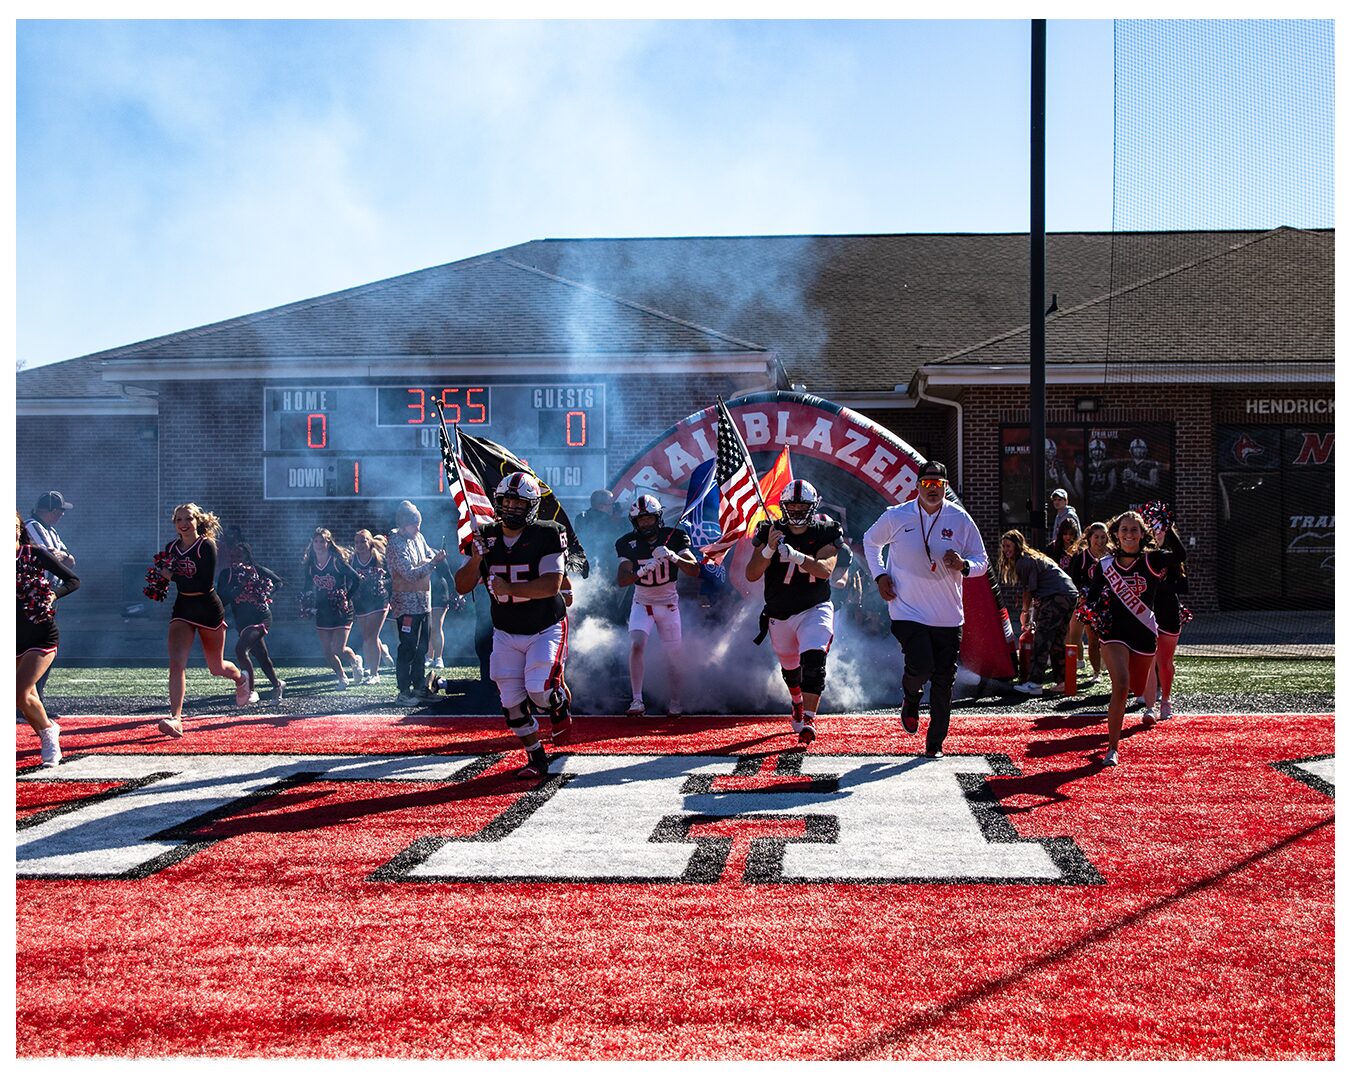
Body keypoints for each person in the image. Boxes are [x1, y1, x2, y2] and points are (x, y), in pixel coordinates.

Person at [863, 460, 989, 758]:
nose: (933, 489)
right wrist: (880, 575)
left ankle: (935, 743)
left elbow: (982, 561)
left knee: (944, 681)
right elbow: (870, 541)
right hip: (907, 609)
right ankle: (910, 696)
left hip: (947, 614)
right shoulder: (897, 515)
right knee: (921, 666)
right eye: (927, 483)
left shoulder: (960, 519)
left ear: (946, 487)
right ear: (917, 486)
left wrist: (964, 565)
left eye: (939, 485)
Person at [455, 472, 571, 779]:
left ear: (531, 506)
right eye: (507, 501)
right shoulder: (486, 536)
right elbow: (461, 587)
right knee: (511, 702)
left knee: (539, 691)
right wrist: (474, 560)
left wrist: (510, 589)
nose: (512, 508)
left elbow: (550, 586)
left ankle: (557, 701)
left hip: (545, 625)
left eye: (519, 503)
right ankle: (536, 757)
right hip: (506, 630)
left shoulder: (548, 533)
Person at [1080, 509, 1186, 766]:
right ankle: (1112, 748)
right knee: (1121, 685)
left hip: (1144, 634)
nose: (1129, 534)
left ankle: (1149, 707)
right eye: (1124, 529)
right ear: (1115, 534)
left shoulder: (1153, 560)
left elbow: (1180, 556)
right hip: (1114, 633)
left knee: (1137, 686)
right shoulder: (1105, 565)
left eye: (1134, 529)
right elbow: (1092, 596)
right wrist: (1091, 610)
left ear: (1142, 534)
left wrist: (1167, 526)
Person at [746, 479, 841, 745]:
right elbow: (751, 574)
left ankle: (809, 719)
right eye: (793, 506)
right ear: (783, 506)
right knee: (790, 669)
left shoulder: (826, 531)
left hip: (815, 607)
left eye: (803, 506)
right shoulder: (769, 530)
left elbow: (824, 570)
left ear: (814, 506)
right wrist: (769, 549)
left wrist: (798, 556)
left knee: (814, 661)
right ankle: (797, 701)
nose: (798, 511)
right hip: (779, 612)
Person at [150, 503, 252, 737]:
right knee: (176, 663)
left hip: (207, 608)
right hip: (183, 608)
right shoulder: (171, 547)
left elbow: (203, 582)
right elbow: (169, 579)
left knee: (216, 668)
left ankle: (240, 677)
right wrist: (159, 581)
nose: (184, 524)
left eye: (188, 519)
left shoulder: (206, 546)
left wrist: (171, 575)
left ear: (198, 521)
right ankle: (176, 718)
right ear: (174, 524)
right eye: (179, 520)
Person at [615, 494, 699, 718]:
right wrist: (640, 571)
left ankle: (675, 700)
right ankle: (636, 700)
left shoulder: (675, 537)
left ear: (658, 518)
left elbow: (694, 569)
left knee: (673, 654)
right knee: (637, 645)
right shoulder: (626, 542)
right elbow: (622, 580)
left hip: (669, 604)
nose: (646, 524)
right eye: (641, 520)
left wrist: (673, 557)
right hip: (642, 603)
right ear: (635, 522)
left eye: (649, 519)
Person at [17, 513, 80, 766]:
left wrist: (53, 595)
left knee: (18, 692)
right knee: (24, 697)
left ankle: (49, 734)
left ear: (18, 529)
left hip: (40, 633)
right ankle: (48, 730)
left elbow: (73, 580)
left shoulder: (34, 554)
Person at [997, 529, 1079, 696]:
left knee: (1042, 639)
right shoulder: (1034, 557)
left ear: (1018, 545)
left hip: (1056, 596)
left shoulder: (1023, 562)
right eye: (1004, 546)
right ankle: (1063, 681)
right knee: (1057, 640)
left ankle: (1035, 683)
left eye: (1008, 546)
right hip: (1069, 594)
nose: (1006, 550)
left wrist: (1025, 612)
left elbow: (1029, 590)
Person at [388, 500, 447, 706]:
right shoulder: (395, 543)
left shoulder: (418, 537)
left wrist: (433, 558)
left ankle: (420, 686)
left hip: (424, 603)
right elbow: (409, 574)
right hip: (406, 605)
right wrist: (432, 564)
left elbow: (428, 554)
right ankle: (403, 691)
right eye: (415, 524)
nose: (418, 528)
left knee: (422, 647)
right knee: (408, 648)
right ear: (403, 524)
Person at [24, 490, 76, 718]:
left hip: (48, 595)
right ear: (51, 510)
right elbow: (49, 556)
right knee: (35, 649)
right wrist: (58, 556)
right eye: (60, 510)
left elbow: (69, 560)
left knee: (47, 649)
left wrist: (59, 555)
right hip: (31, 596)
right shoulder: (32, 525)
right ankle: (25, 701)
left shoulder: (51, 531)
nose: (62, 514)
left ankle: (35, 700)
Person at [217, 541, 286, 704]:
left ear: (247, 557)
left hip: (260, 616)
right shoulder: (226, 575)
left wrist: (266, 594)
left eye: (239, 556)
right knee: (261, 655)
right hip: (242, 621)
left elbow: (278, 582)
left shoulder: (257, 570)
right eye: (232, 556)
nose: (235, 560)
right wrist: (237, 590)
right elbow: (221, 600)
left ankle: (250, 691)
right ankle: (277, 684)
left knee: (241, 649)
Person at [1141, 511, 1189, 723]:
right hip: (1147, 613)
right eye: (1153, 528)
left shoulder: (1169, 556)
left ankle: (1166, 700)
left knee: (1165, 660)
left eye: (1160, 529)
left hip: (1168, 612)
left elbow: (1183, 585)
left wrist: (1160, 587)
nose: (1156, 533)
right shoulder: (1143, 555)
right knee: (1149, 659)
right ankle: (1150, 706)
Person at [301, 527, 363, 690]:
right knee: (327, 650)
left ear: (329, 543)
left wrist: (346, 598)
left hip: (341, 610)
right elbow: (307, 586)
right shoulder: (310, 564)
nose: (319, 544)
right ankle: (342, 677)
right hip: (323, 610)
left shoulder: (336, 561)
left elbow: (356, 579)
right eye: (316, 541)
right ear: (312, 543)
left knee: (339, 648)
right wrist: (306, 604)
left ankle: (354, 660)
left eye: (323, 541)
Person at [1063, 521, 1109, 686]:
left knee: (1101, 639)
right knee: (1079, 636)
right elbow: (1073, 581)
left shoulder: (1112, 556)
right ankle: (1082, 670)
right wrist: (1080, 597)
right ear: (1089, 538)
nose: (1100, 541)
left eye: (1103, 537)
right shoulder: (1081, 557)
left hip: (1106, 603)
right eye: (1096, 537)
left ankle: (1101, 667)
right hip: (1086, 602)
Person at [351, 529, 394, 684]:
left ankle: (374, 674)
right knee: (367, 637)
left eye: (363, 541)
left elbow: (392, 578)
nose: (360, 545)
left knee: (370, 637)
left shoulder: (380, 558)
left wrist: (382, 583)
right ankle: (380, 654)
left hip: (379, 601)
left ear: (370, 542)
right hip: (361, 602)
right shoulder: (352, 560)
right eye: (357, 542)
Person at [427, 553, 455, 672]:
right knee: (427, 627)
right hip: (423, 593)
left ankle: (439, 658)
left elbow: (448, 576)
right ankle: (429, 656)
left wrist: (454, 594)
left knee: (436, 626)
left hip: (439, 593)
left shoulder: (435, 554)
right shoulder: (413, 553)